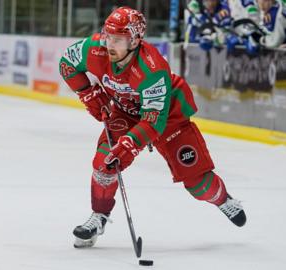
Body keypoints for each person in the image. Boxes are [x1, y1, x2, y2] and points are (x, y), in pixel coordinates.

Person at [59, 6, 247, 248]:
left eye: (118, 40)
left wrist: (130, 143)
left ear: (135, 40)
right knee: (104, 164)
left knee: (198, 184)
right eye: (108, 36)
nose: (109, 44)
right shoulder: (95, 49)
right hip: (125, 111)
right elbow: (67, 63)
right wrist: (88, 93)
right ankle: (99, 217)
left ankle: (222, 199)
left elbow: (153, 121)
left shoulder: (152, 69)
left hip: (168, 117)